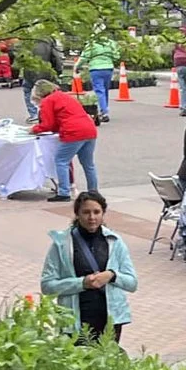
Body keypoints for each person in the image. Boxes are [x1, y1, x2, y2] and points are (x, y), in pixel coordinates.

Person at [38, 190, 137, 342]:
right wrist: (81, 283)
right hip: (74, 322)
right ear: (77, 214)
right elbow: (47, 286)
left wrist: (112, 275)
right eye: (86, 212)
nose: (92, 217)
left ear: (103, 213)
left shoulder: (115, 242)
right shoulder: (62, 244)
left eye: (96, 212)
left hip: (110, 322)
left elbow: (132, 283)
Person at [30, 78, 101, 199]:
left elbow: (48, 124)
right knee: (88, 164)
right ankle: (93, 191)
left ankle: (64, 192)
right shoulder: (63, 96)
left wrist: (34, 129)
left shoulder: (48, 101)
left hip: (73, 132)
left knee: (61, 160)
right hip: (89, 129)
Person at [75, 32, 120, 120]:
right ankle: (105, 109)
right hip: (108, 68)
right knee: (105, 90)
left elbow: (84, 57)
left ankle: (104, 112)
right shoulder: (110, 43)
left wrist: (77, 66)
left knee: (99, 91)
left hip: (96, 69)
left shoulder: (92, 43)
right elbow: (116, 56)